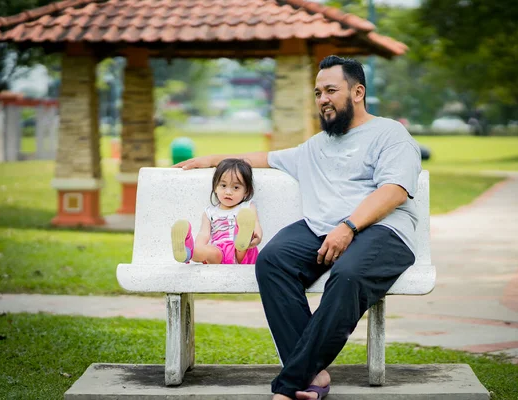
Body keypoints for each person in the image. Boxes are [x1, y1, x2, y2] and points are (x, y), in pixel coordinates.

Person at [174, 55, 422, 400]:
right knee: (273, 261)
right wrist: (214, 160)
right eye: (318, 92)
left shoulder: (389, 133)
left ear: (358, 92)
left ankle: (289, 386)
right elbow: (267, 158)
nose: (322, 98)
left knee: (347, 276)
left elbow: (393, 191)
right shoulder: (316, 146)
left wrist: (348, 226)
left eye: (331, 90)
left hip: (384, 232)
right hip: (322, 229)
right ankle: (314, 377)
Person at [171, 158, 262, 265]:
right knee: (209, 252)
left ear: (246, 191)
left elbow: (255, 224)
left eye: (236, 187)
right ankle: (188, 251)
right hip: (219, 250)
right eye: (223, 186)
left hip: (242, 251)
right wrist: (200, 247)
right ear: (215, 187)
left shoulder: (246, 208)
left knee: (242, 246)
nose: (228, 192)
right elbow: (204, 234)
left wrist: (258, 236)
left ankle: (241, 235)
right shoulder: (210, 212)